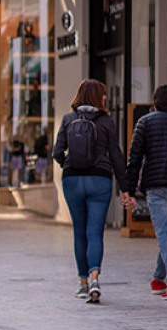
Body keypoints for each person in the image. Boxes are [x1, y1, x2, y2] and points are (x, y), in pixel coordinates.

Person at [53, 79, 132, 304]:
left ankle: (82, 283)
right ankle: (95, 279)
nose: (106, 97)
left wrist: (68, 164)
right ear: (97, 97)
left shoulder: (68, 119)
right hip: (100, 180)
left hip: (72, 181)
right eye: (104, 94)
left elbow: (57, 152)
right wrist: (125, 188)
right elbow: (116, 156)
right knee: (95, 232)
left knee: (79, 232)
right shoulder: (106, 121)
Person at [124, 85, 167, 301]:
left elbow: (134, 159)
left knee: (164, 235)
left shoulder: (145, 122)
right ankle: (158, 279)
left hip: (156, 186)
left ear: (155, 102)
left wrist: (129, 189)